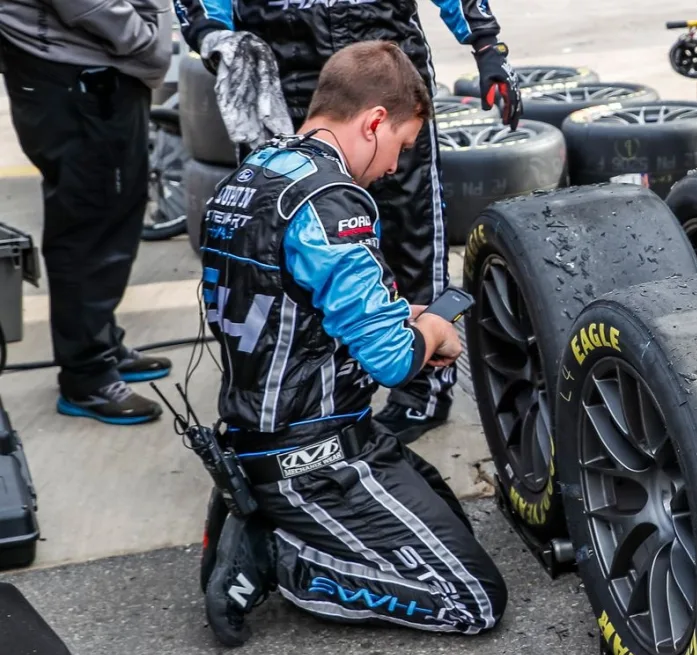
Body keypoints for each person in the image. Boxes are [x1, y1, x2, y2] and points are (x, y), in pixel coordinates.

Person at [198, 41, 507, 647]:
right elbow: (393, 360)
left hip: (274, 429)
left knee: (448, 513)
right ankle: (275, 554)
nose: (394, 166)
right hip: (310, 455)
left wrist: (405, 315)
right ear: (372, 122)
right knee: (470, 599)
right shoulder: (331, 203)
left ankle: (260, 508)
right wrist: (432, 333)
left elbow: (293, 300)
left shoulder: (253, 175)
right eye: (401, 144)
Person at [174, 0, 524, 444]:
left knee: (412, 234)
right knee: (272, 247)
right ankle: (289, 397)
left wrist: (487, 44)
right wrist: (211, 35)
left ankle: (421, 389)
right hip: (287, 79)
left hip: (388, 77)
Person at [0, 1, 175, 425]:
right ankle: (88, 377)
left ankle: (99, 345)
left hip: (85, 72)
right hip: (73, 78)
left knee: (110, 214)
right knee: (90, 227)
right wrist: (147, 40)